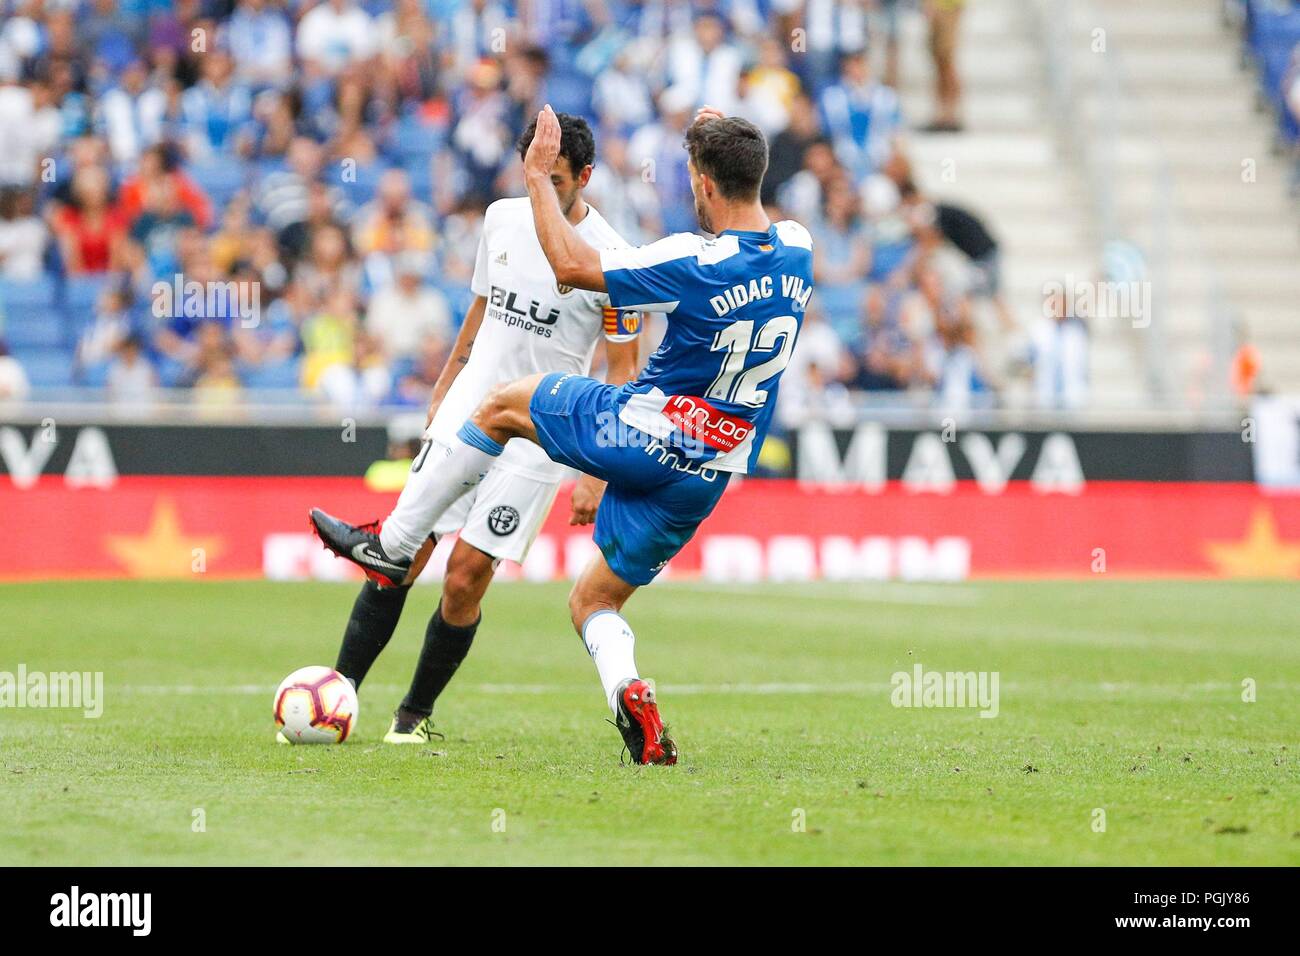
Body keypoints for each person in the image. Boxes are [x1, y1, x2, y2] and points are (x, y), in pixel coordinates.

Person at [310, 105, 815, 765]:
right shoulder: (800, 246)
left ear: (707, 187)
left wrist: (536, 180)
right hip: (709, 467)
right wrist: (712, 139)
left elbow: (576, 270)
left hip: (643, 430)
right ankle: (629, 693)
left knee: (501, 407)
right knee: (593, 599)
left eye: (694, 179)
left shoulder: (692, 259)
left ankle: (392, 543)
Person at [308, 113, 643, 746]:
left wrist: (597, 471)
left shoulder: (616, 260)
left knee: (465, 577)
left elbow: (623, 372)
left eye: (557, 178)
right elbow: (483, 308)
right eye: (534, 175)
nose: (542, 187)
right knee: (399, 557)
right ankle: (338, 694)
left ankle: (412, 719)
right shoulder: (499, 219)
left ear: (587, 178)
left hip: (539, 439)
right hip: (468, 411)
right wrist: (446, 383)